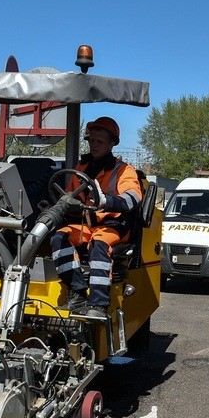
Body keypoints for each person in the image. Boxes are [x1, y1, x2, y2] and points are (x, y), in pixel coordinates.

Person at [50, 117, 142, 319]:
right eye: (92, 140)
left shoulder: (123, 170)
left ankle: (99, 304)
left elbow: (133, 198)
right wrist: (57, 206)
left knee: (99, 243)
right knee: (59, 237)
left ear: (112, 143)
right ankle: (77, 292)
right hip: (86, 225)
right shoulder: (81, 169)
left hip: (113, 226)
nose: (94, 145)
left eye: (100, 141)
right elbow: (70, 196)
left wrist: (107, 201)